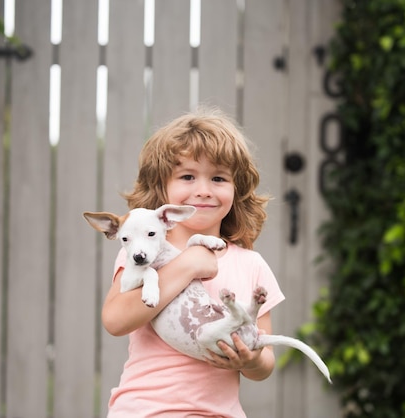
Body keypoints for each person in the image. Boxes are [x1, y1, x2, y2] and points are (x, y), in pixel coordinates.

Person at [102, 107, 285, 417]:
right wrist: (187, 266)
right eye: (187, 176)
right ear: (162, 187)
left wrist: (252, 361)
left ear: (235, 189)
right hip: (146, 411)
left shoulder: (252, 265)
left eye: (218, 178)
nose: (203, 191)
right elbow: (115, 320)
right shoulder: (144, 252)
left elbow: (264, 360)